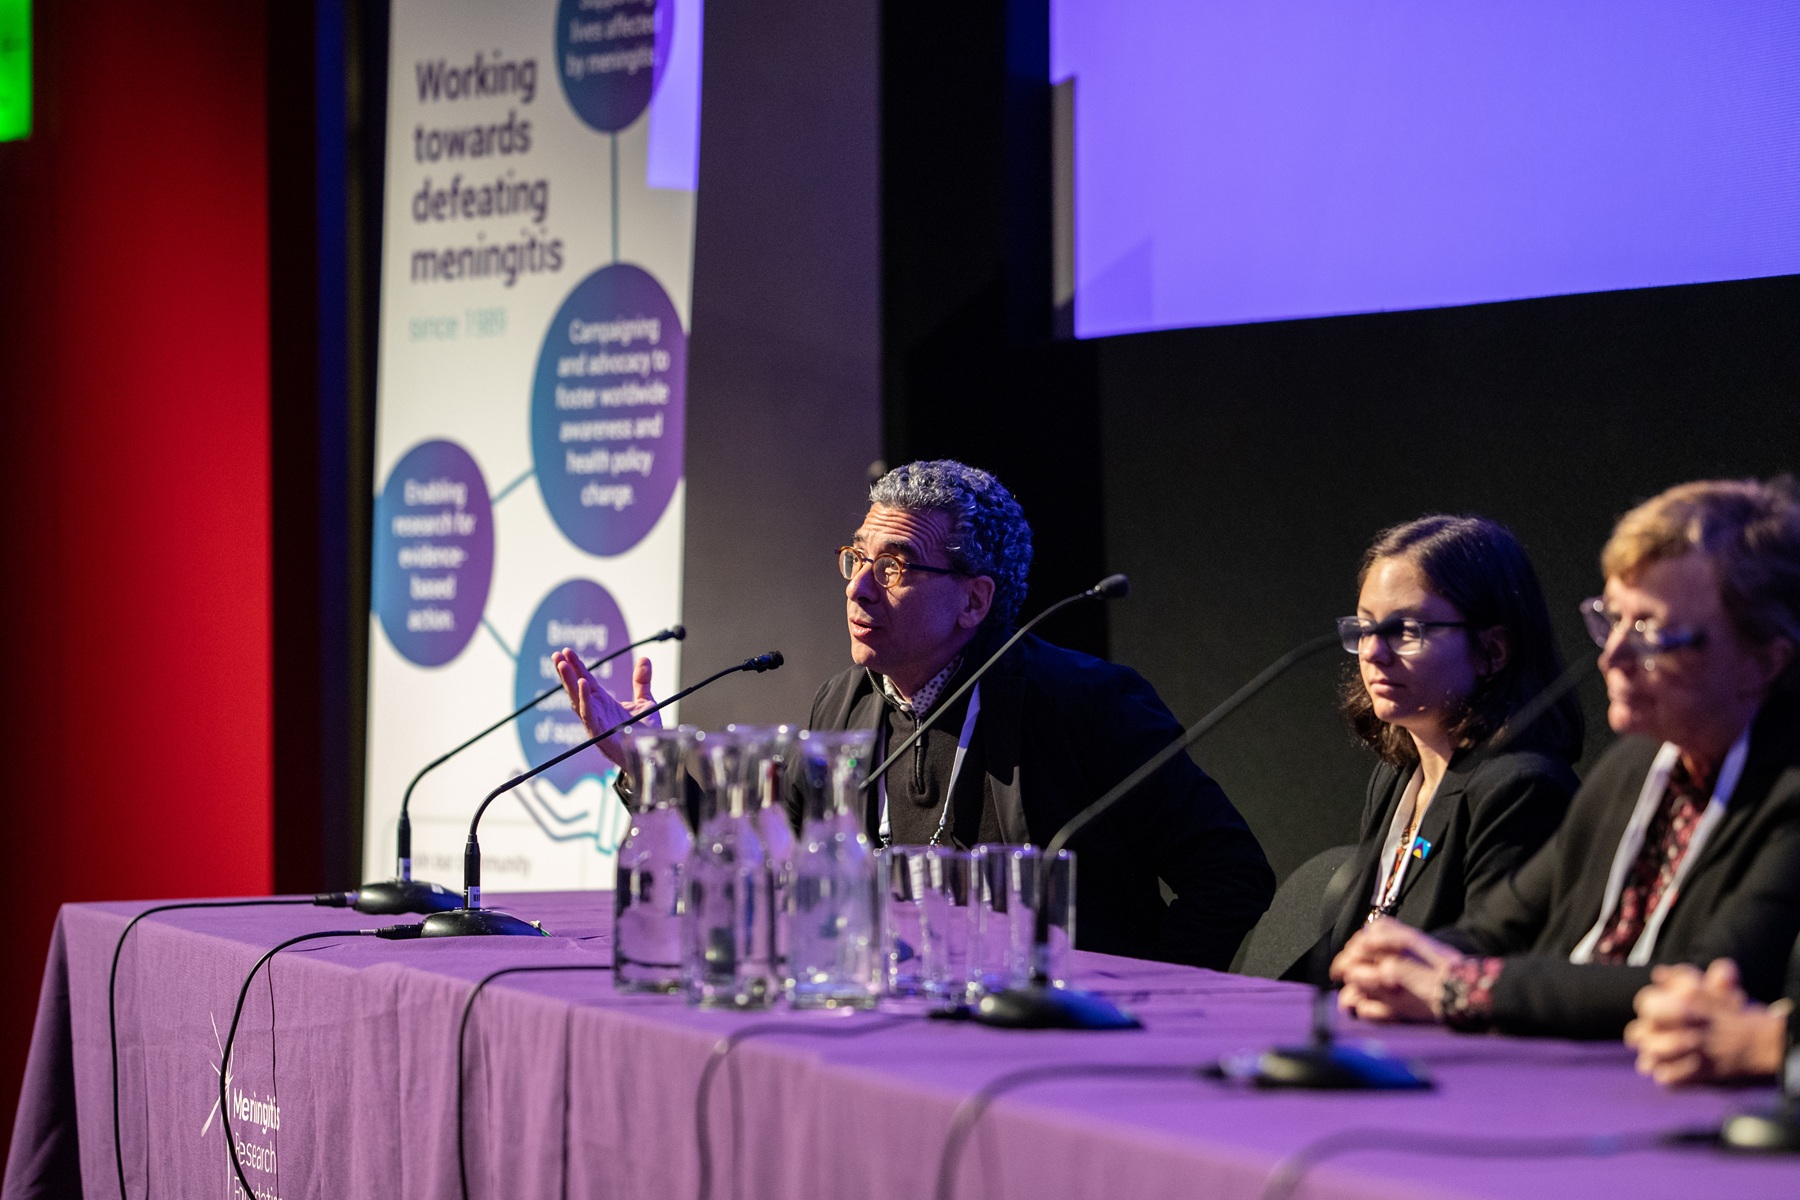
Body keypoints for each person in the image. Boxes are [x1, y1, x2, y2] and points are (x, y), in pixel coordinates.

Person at [555, 460, 1276, 969]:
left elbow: (1232, 875)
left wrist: (1126, 995)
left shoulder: (1084, 705)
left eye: (895, 567)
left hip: (1044, 1039)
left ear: (973, 600)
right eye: (856, 560)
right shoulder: (844, 705)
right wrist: (651, 769)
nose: (859, 589)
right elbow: (777, 862)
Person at [1331, 477, 1800, 1040]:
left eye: (1651, 630)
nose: (1614, 655)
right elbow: (1500, 926)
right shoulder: (1633, 769)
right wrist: (1402, 964)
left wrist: (1464, 987)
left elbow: (1701, 985)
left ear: (1765, 660)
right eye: (1612, 619)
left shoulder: (1786, 790)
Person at [1282, 516, 1583, 983]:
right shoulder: (1397, 775)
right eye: (1364, 628)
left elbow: (1489, 970)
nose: (1372, 653)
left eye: (1404, 630)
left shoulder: (1523, 789)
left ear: (1492, 651)